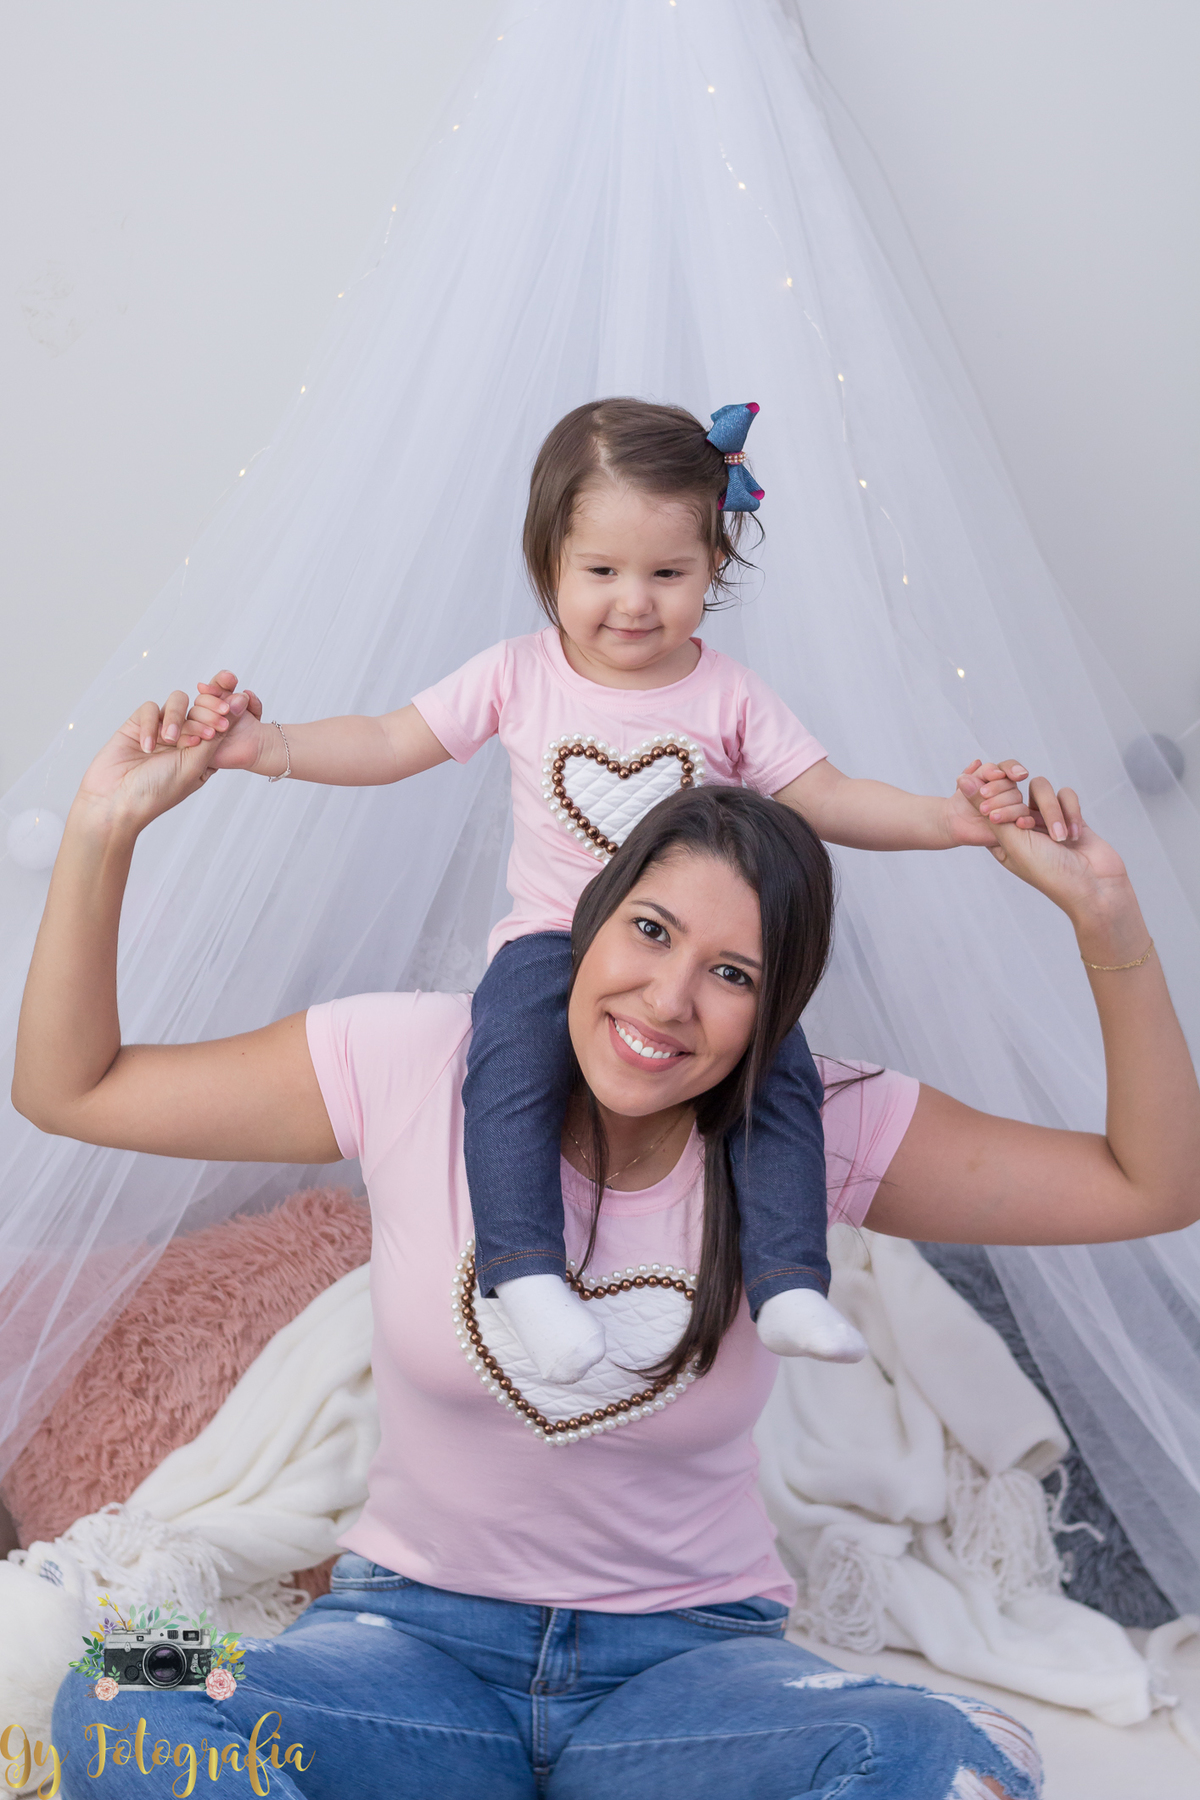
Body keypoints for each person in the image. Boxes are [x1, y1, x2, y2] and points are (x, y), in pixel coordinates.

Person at [17, 701, 1198, 1800]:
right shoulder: (417, 1062)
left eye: (730, 975)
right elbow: (71, 1086)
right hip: (405, 1647)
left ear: (771, 1017)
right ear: (582, 927)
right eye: (650, 930)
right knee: (130, 1679)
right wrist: (103, 827)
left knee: (933, 1755)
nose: (670, 997)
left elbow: (1154, 1184)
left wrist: (1111, 925)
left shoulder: (813, 1127)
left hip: (684, 1678)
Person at [165, 396, 1032, 1386]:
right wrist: (263, 747)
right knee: (505, 1065)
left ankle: (790, 1279)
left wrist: (948, 820)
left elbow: (826, 796)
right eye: (602, 572)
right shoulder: (517, 674)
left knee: (779, 1071)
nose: (635, 601)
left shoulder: (729, 696)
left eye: (669, 574)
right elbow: (387, 739)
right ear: (549, 567)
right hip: (554, 940)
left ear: (715, 568)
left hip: (688, 952)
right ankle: (525, 1270)